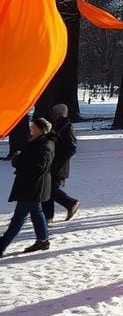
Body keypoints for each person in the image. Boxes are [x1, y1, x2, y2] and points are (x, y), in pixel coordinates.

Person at [0, 118, 54, 257]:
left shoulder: (46, 144)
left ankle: (2, 245)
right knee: (36, 213)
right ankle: (43, 240)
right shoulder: (36, 142)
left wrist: (19, 160)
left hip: (33, 187)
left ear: (41, 129)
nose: (31, 129)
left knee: (18, 218)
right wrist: (18, 158)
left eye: (33, 127)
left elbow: (39, 167)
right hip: (30, 186)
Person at [42, 104, 79, 223]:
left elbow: (72, 147)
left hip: (58, 164)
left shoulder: (65, 126)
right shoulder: (58, 125)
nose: (51, 114)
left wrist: (59, 160)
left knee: (49, 189)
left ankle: (70, 203)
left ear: (59, 114)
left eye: (53, 112)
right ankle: (48, 216)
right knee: (48, 189)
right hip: (54, 162)